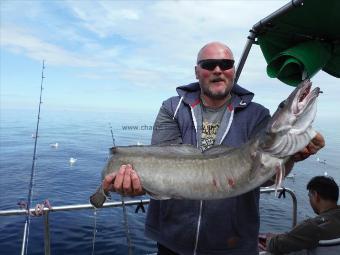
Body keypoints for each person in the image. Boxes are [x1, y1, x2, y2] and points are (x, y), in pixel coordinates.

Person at [102, 42, 325, 254]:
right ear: (197, 71)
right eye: (209, 65)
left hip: (233, 245)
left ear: (233, 70)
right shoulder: (172, 107)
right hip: (172, 243)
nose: (218, 69)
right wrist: (135, 186)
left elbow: (262, 177)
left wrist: (291, 158)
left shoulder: (258, 115)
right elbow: (164, 166)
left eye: (225, 64)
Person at [263, 176, 340, 255]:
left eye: (309, 196)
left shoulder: (313, 227)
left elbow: (276, 245)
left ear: (316, 196)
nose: (309, 200)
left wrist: (270, 239)